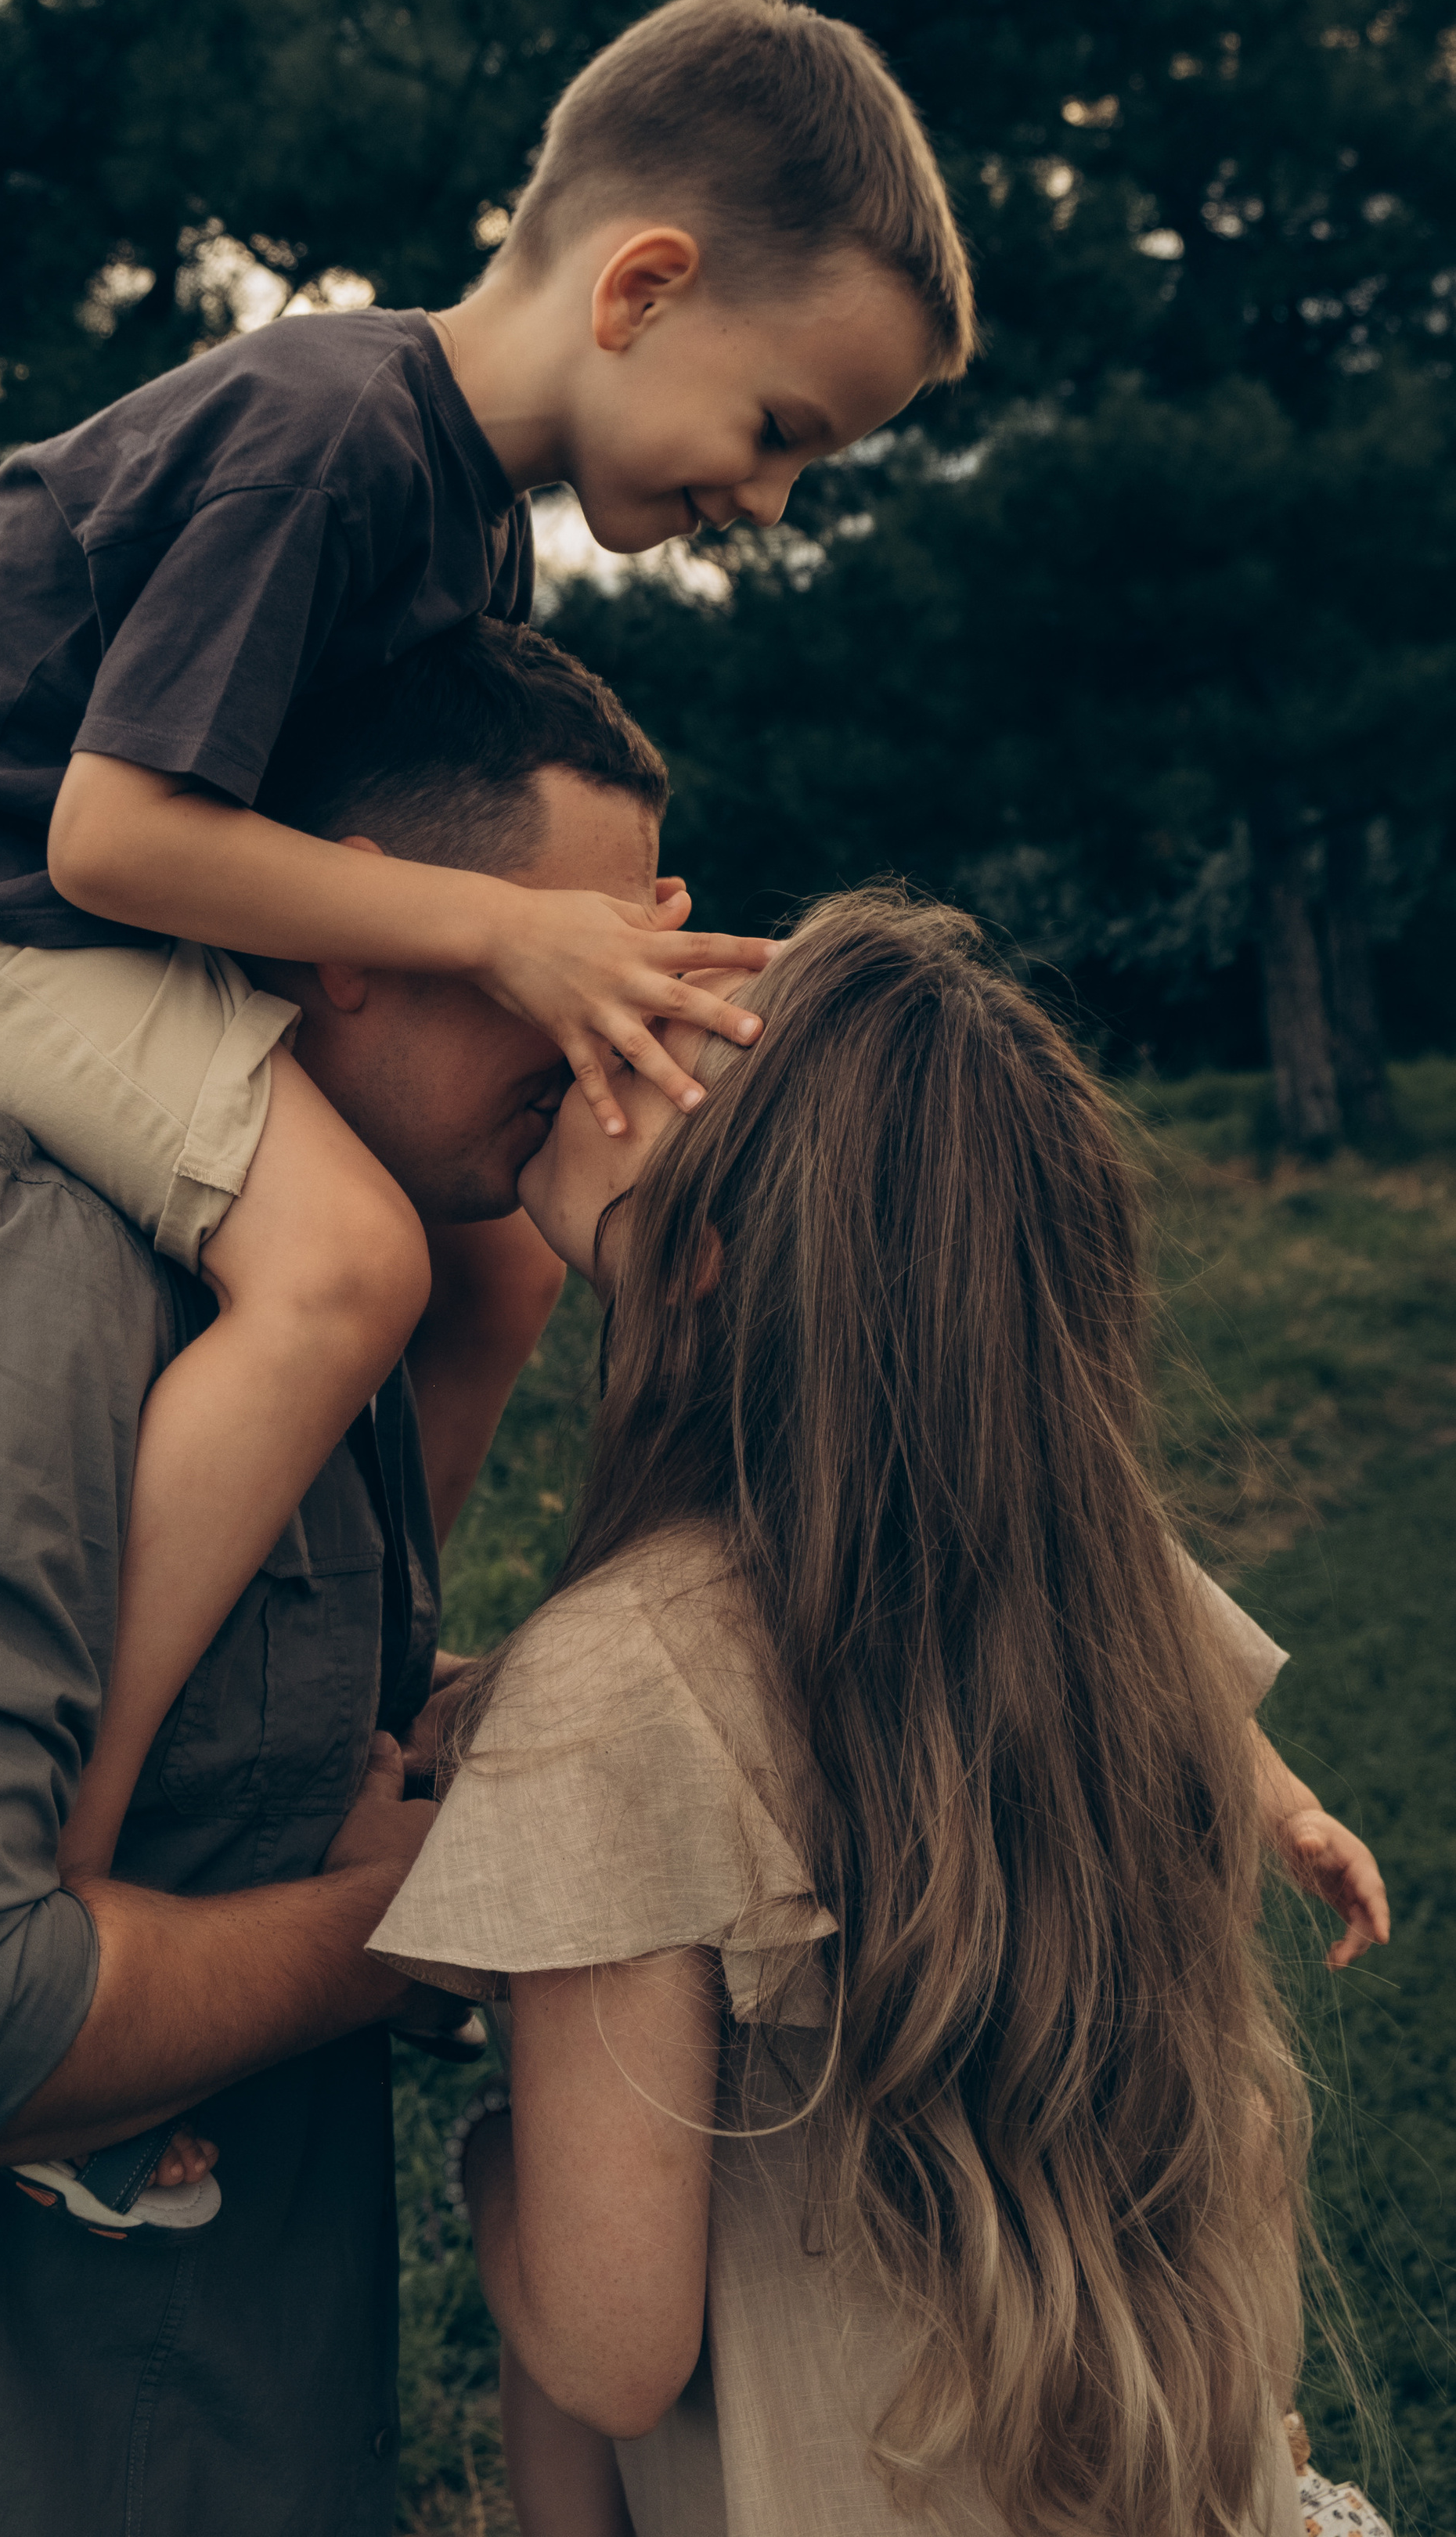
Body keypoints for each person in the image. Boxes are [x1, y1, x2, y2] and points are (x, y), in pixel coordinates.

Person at [0, 0, 978, 2137]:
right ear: (645, 285)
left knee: (496, 1255)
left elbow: (359, 858)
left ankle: (349, 1722)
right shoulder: (335, 429)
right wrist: (503, 928)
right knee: (346, 1264)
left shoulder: (469, 527)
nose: (776, 501)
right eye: (783, 428)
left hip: (126, 930)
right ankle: (85, 1841)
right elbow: (111, 828)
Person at [0, 625, 671, 2537]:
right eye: (553, 969)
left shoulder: (331, 1299)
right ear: (348, 937)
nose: (604, 1034)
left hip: (224, 2418)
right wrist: (402, 1929)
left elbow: (289, 1754)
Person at [372, 889, 1392, 2537]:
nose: (614, 1026)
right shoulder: (1074, 1576)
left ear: (698, 1258)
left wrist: (496, 2165)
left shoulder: (623, 1686)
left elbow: (610, 2357)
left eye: (678, 1048)